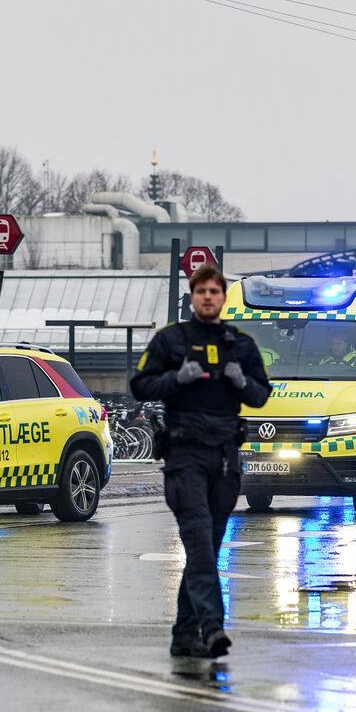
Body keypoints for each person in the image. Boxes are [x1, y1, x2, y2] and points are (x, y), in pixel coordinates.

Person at [130, 265, 272, 659]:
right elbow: (139, 386)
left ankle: (183, 634)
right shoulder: (170, 341)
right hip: (185, 455)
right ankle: (212, 627)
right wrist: (177, 379)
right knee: (199, 542)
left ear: (222, 298)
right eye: (201, 291)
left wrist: (242, 382)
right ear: (192, 297)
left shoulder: (239, 345)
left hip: (225, 459)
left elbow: (262, 394)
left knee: (205, 546)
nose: (208, 297)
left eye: (214, 291)